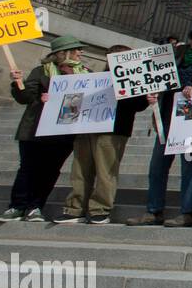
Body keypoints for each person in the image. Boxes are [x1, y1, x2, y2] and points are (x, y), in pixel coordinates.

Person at [126, 23, 192, 227]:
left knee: (190, 167)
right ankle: (154, 210)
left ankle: (188, 212)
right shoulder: (176, 56)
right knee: (157, 167)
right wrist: (153, 95)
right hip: (166, 118)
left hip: (191, 121)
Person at [52, 44, 151, 225]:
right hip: (86, 128)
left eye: (118, 57)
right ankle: (75, 208)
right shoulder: (95, 77)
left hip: (113, 130)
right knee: (80, 170)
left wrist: (142, 96)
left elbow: (138, 105)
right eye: (111, 57)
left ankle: (100, 209)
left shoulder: (133, 79)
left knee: (106, 172)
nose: (113, 60)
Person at [1, 36, 89, 223]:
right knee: (28, 169)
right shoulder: (41, 72)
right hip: (35, 130)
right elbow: (25, 97)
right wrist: (17, 83)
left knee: (50, 171)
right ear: (63, 53)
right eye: (76, 49)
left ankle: (35, 207)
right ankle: (17, 206)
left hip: (64, 133)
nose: (80, 52)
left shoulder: (86, 74)